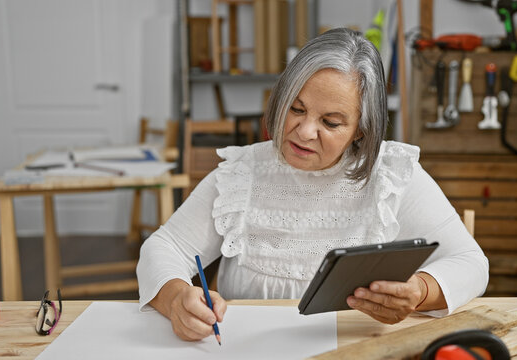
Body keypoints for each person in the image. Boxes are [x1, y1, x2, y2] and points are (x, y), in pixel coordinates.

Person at [137, 27, 488, 342]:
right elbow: (164, 247)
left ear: (360, 131)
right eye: (296, 108)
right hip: (246, 349)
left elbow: (470, 263)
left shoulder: (391, 175)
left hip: (355, 351)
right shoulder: (242, 172)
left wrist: (419, 291)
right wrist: (175, 298)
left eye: (331, 122)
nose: (304, 132)